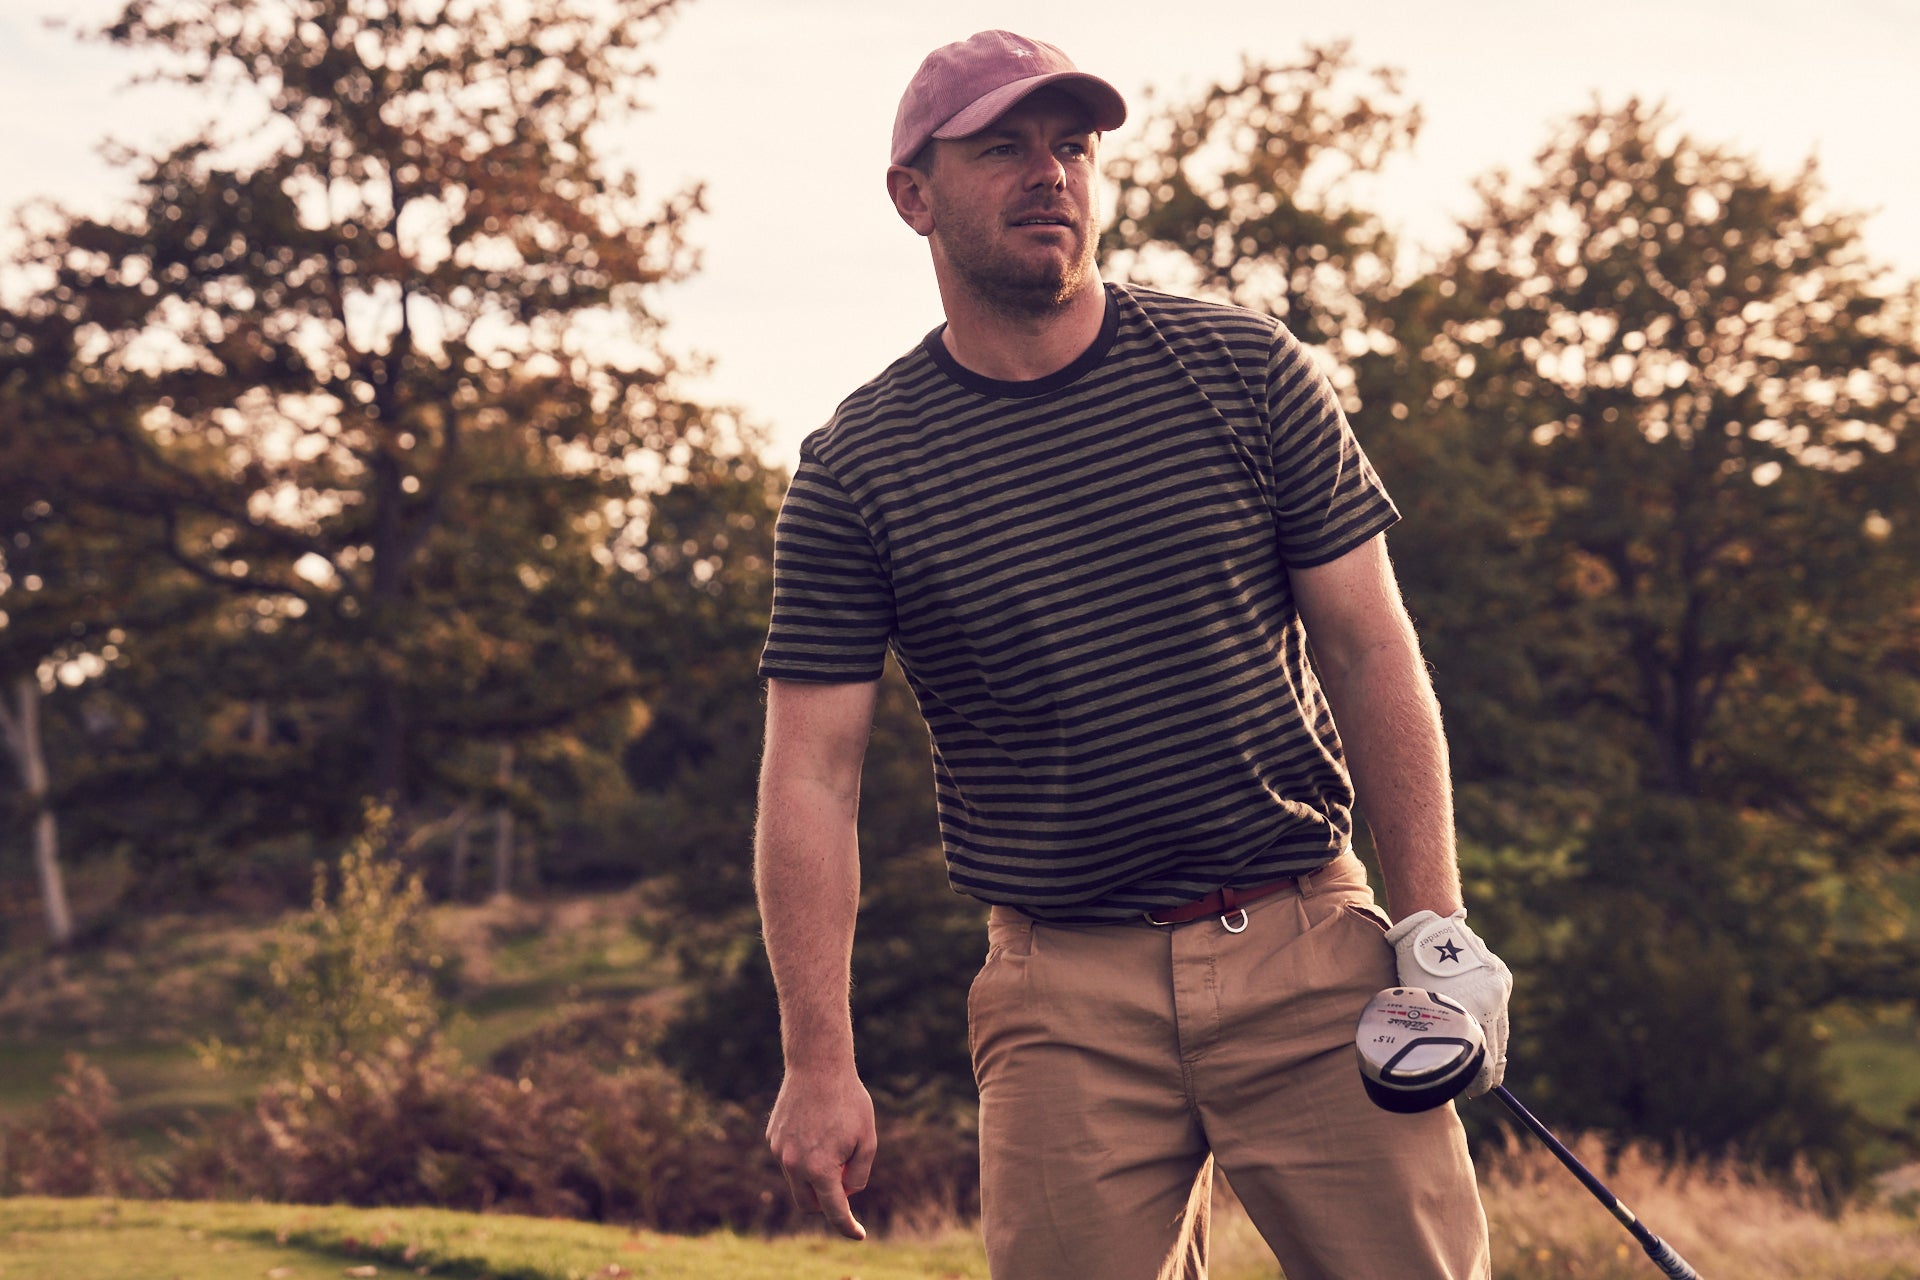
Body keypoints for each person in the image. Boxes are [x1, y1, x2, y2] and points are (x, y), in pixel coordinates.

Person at [754, 28, 1512, 1280]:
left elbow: (1371, 647)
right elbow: (811, 778)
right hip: (1059, 993)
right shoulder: (858, 471)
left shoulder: (1248, 370)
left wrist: (1434, 925)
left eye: (1072, 146)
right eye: (1002, 148)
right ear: (913, 196)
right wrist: (818, 1060)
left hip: (1307, 948)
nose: (1049, 173)